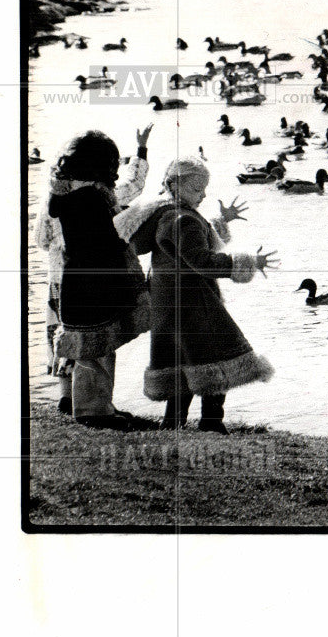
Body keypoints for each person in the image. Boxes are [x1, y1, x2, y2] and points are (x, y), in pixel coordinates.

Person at [115, 156, 277, 434]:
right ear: (175, 185)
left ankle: (173, 422)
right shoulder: (182, 219)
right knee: (217, 359)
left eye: (204, 188)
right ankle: (212, 423)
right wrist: (249, 262)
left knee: (181, 361)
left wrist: (220, 221)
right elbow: (202, 260)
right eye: (196, 189)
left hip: (167, 302)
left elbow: (186, 248)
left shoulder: (164, 214)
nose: (202, 195)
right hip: (194, 302)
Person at [45, 126, 153, 428]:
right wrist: (127, 231)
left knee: (94, 347)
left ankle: (99, 406)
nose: (115, 172)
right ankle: (93, 411)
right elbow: (104, 239)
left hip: (79, 282)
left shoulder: (70, 194)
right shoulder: (91, 198)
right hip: (93, 283)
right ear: (99, 166)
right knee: (96, 349)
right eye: (111, 165)